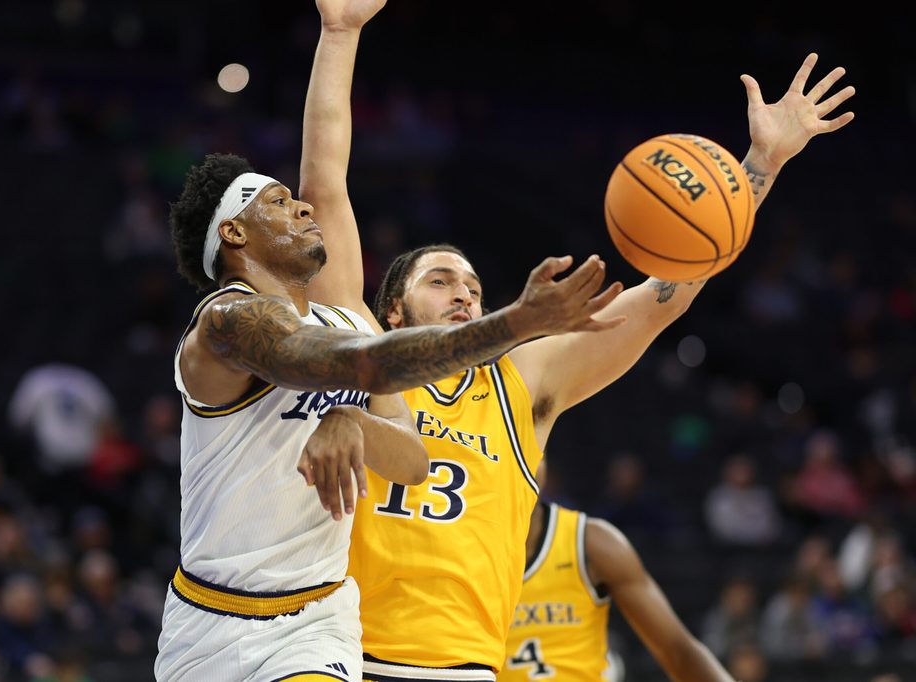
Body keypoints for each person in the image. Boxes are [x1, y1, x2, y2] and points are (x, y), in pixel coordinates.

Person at [299, 1, 855, 678]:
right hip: (335, 659)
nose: (465, 295)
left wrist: (757, 167)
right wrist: (340, 32)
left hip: (461, 668)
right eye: (441, 281)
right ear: (391, 311)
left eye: (473, 285)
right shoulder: (360, 354)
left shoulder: (523, 380)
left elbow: (660, 299)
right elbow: (324, 191)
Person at [154, 149, 625, 678]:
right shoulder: (226, 323)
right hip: (210, 619)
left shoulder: (340, 318)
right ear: (235, 234)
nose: (305, 208)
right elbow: (364, 366)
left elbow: (413, 461)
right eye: (280, 201)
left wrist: (353, 421)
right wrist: (514, 324)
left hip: (316, 621)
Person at [500, 462, 736, 682]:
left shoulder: (591, 542)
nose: (525, 461)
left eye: (534, 451)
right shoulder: (465, 553)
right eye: (515, 452)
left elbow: (678, 649)